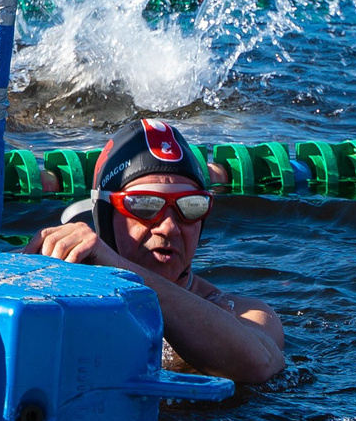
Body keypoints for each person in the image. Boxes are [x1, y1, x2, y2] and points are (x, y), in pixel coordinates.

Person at [28, 118, 285, 384]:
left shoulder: (245, 313)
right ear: (105, 216)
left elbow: (259, 364)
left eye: (191, 205)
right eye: (145, 205)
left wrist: (124, 273)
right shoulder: (61, 287)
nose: (170, 227)